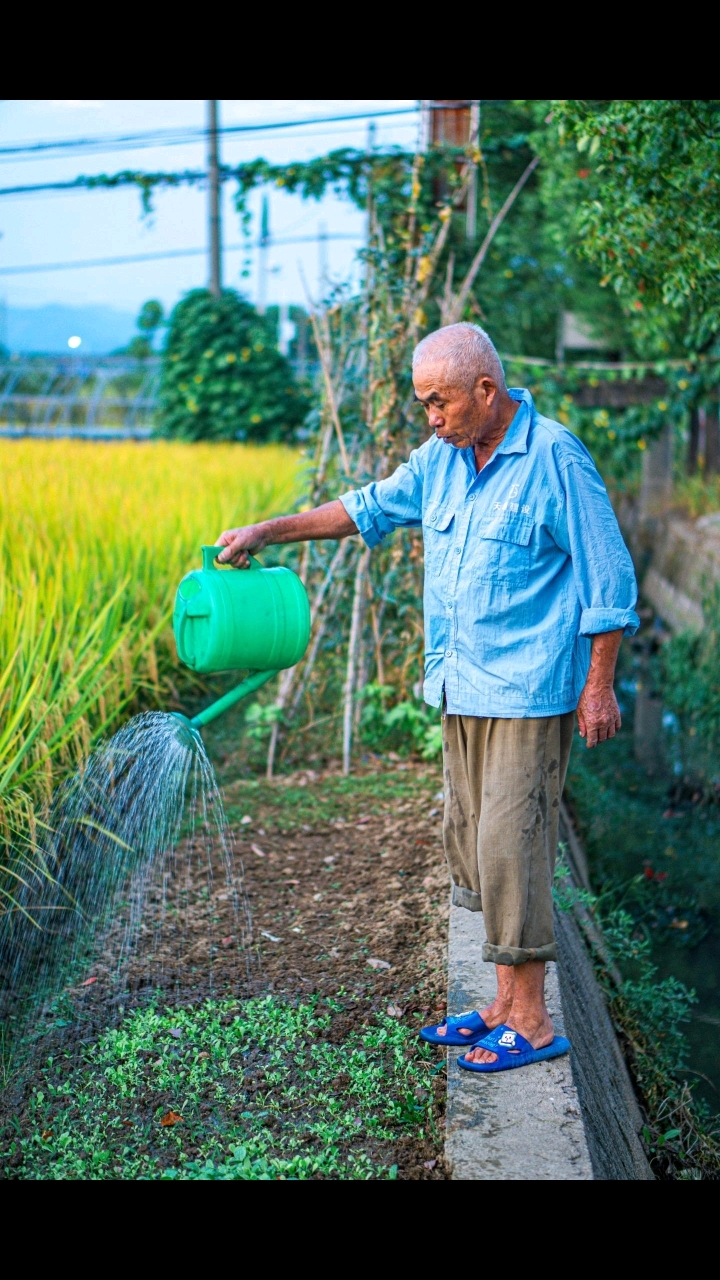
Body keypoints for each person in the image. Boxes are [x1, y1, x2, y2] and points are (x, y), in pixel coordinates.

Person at [216, 322, 639, 1075]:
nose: (431, 418)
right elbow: (365, 509)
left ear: (486, 390)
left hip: (528, 691)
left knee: (512, 848)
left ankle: (533, 1020)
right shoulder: (440, 459)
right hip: (460, 684)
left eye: (440, 402)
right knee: (473, 844)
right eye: (424, 405)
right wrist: (268, 532)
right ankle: (501, 1005)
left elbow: (608, 579)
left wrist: (599, 687)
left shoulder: (555, 458)